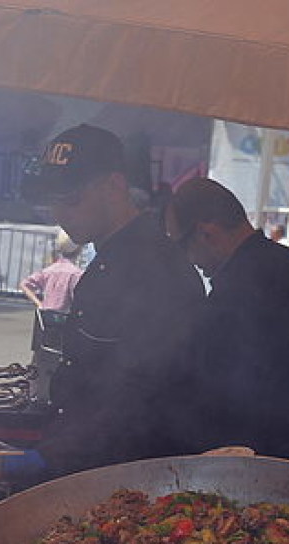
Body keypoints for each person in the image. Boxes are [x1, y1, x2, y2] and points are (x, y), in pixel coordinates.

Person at [20, 124, 206, 477]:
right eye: (52, 202)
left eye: (71, 199)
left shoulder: (155, 268)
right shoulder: (112, 259)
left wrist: (57, 456)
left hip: (123, 477)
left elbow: (144, 396)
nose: (60, 214)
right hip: (91, 465)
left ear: (115, 186)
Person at [164, 177, 289, 478]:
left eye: (184, 247)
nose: (190, 261)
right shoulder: (286, 263)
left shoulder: (245, 282)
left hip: (272, 468)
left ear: (205, 232)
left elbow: (215, 382)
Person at [20, 230, 84, 314]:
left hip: (46, 314)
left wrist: (39, 304)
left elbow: (24, 284)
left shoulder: (49, 270)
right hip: (64, 316)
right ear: (79, 249)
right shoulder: (76, 274)